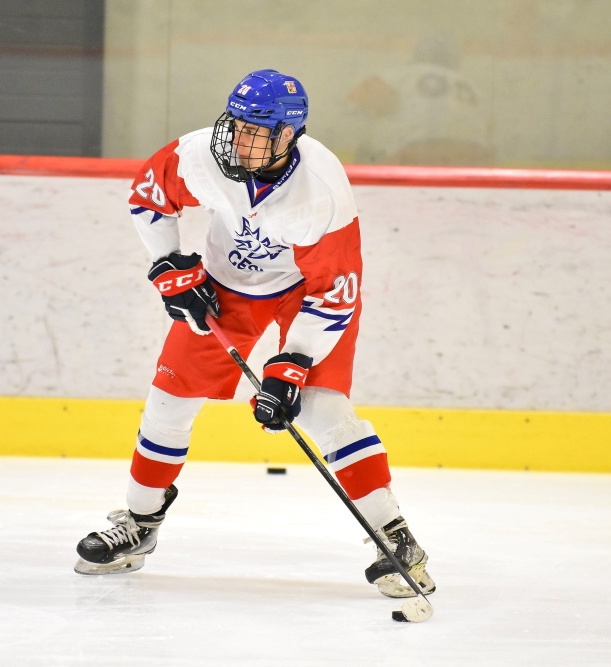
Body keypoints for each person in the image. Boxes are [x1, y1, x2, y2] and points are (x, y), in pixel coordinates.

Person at [74, 69, 435, 599]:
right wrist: (169, 264)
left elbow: (335, 292)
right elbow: (149, 195)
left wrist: (294, 363)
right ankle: (140, 523)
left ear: (289, 134)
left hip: (308, 295)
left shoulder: (322, 191)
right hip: (226, 285)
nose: (238, 140)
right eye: (237, 125)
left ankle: (395, 537)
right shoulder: (201, 155)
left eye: (256, 131)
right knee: (168, 403)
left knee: (322, 410)